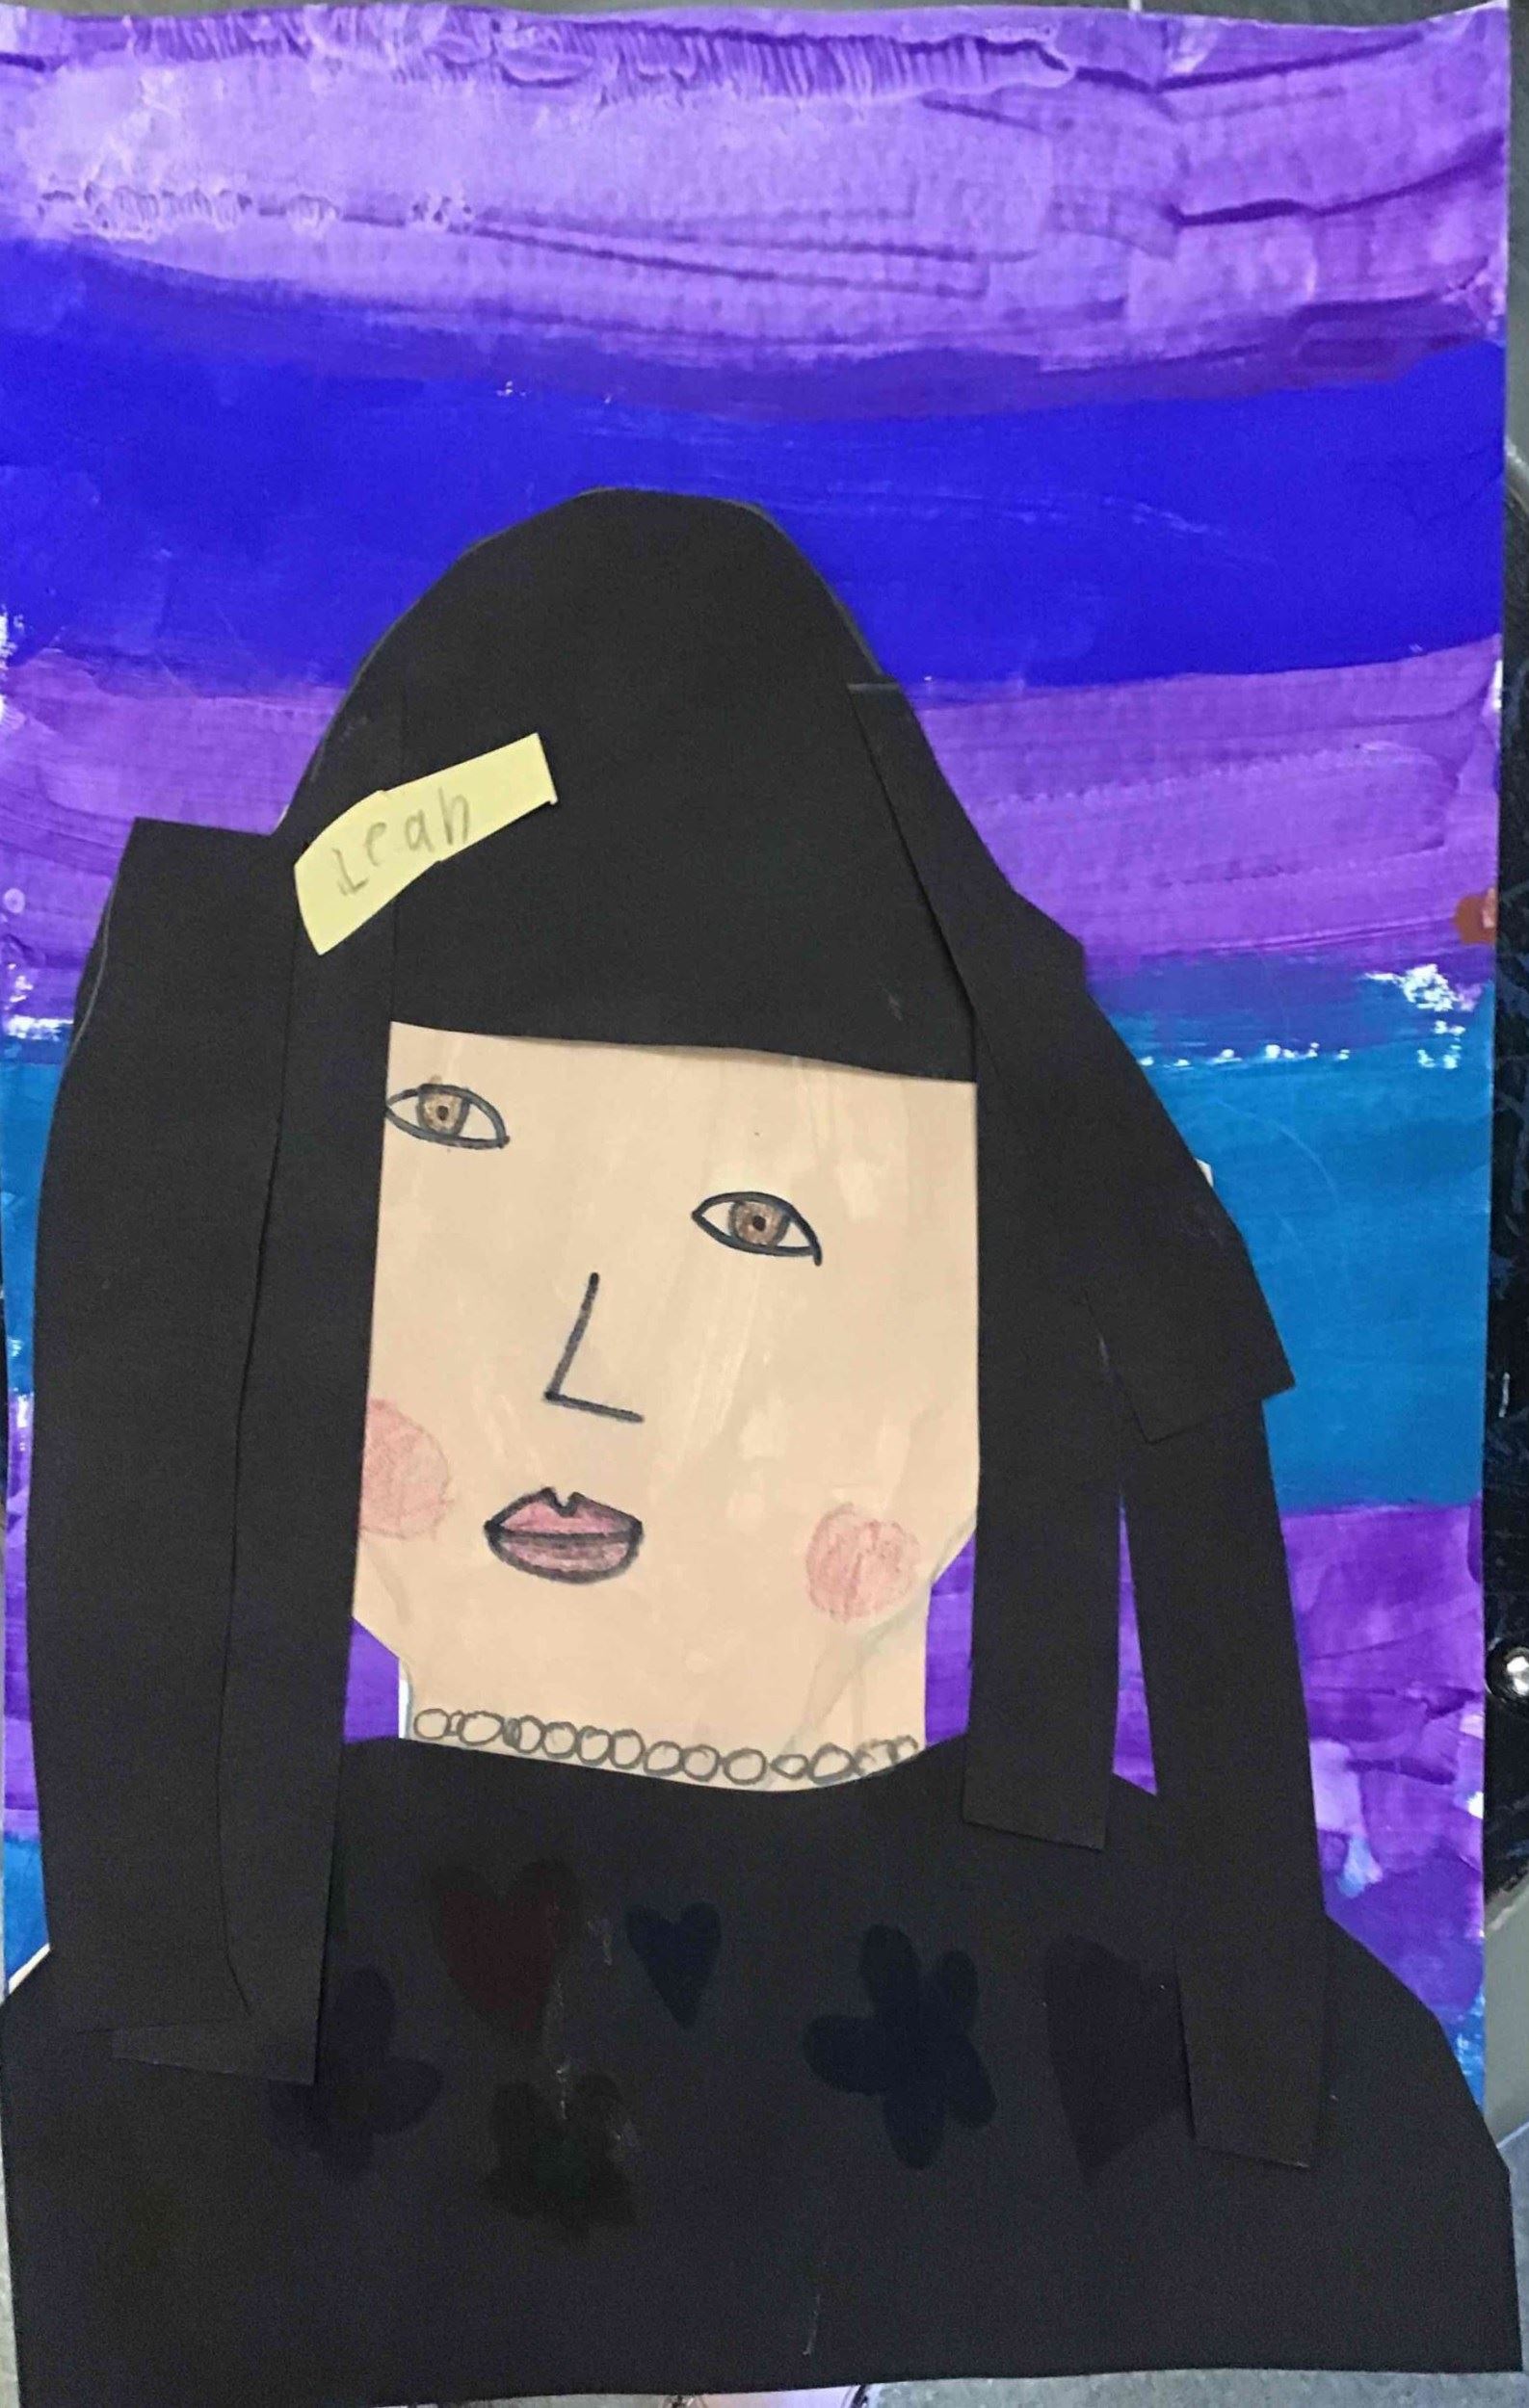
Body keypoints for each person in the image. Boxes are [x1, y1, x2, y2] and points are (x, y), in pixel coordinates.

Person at [2, 493, 1516, 2408]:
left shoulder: (1254, 2073)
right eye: (455, 1137)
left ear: (997, 1341)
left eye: (753, 1224)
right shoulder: (124, 2060)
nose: (579, 1366)